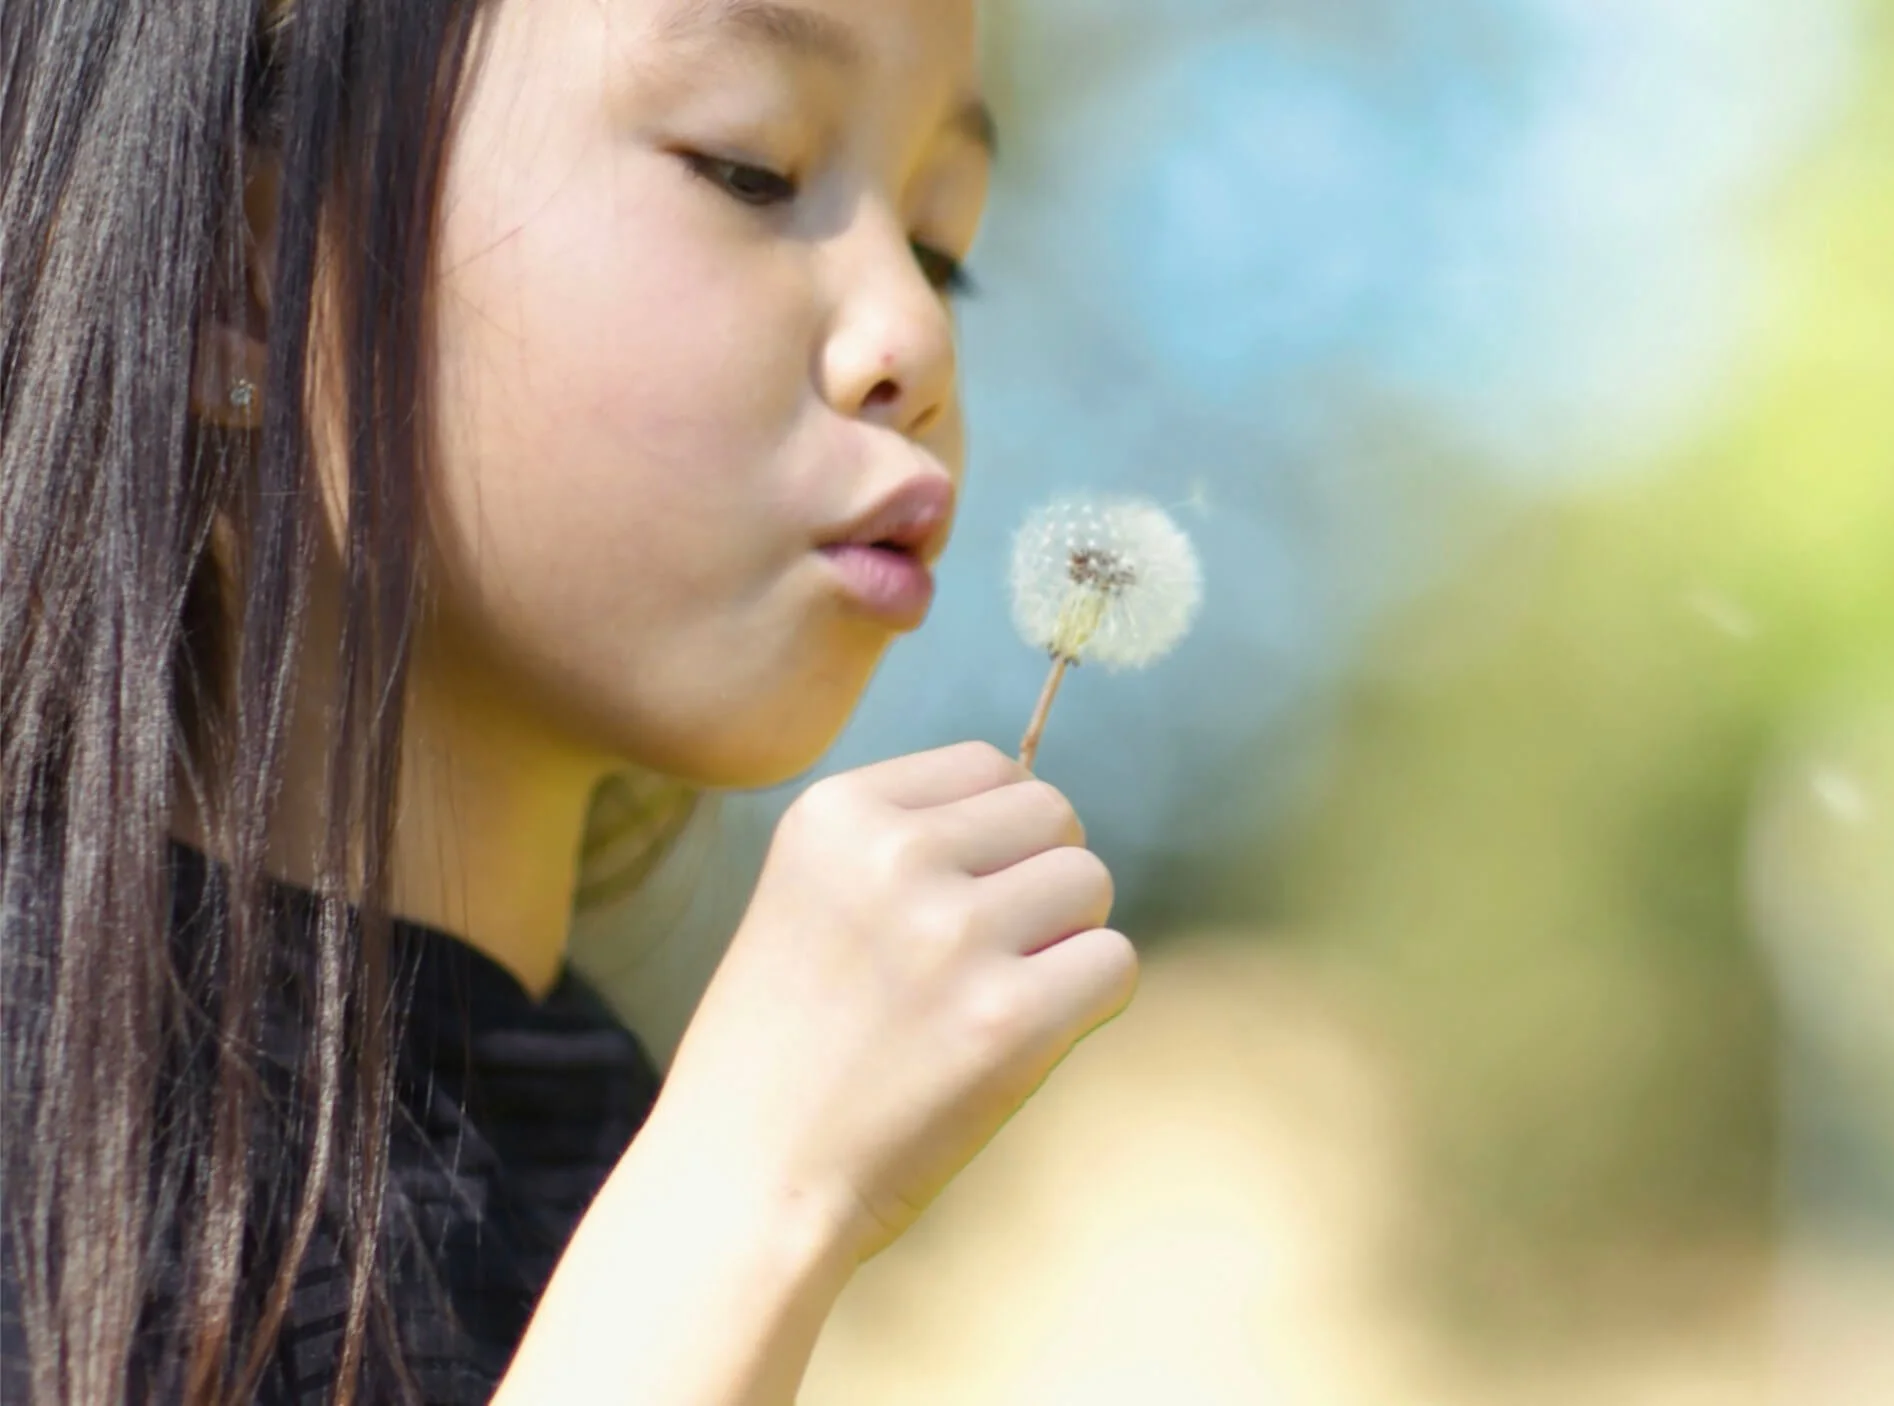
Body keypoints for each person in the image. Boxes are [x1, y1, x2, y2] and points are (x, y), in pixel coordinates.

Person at [0, 0, 1142, 1401]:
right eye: (750, 167)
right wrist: (743, 1201)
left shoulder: (624, 1135)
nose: (910, 334)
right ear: (244, 267)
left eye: (941, 245)